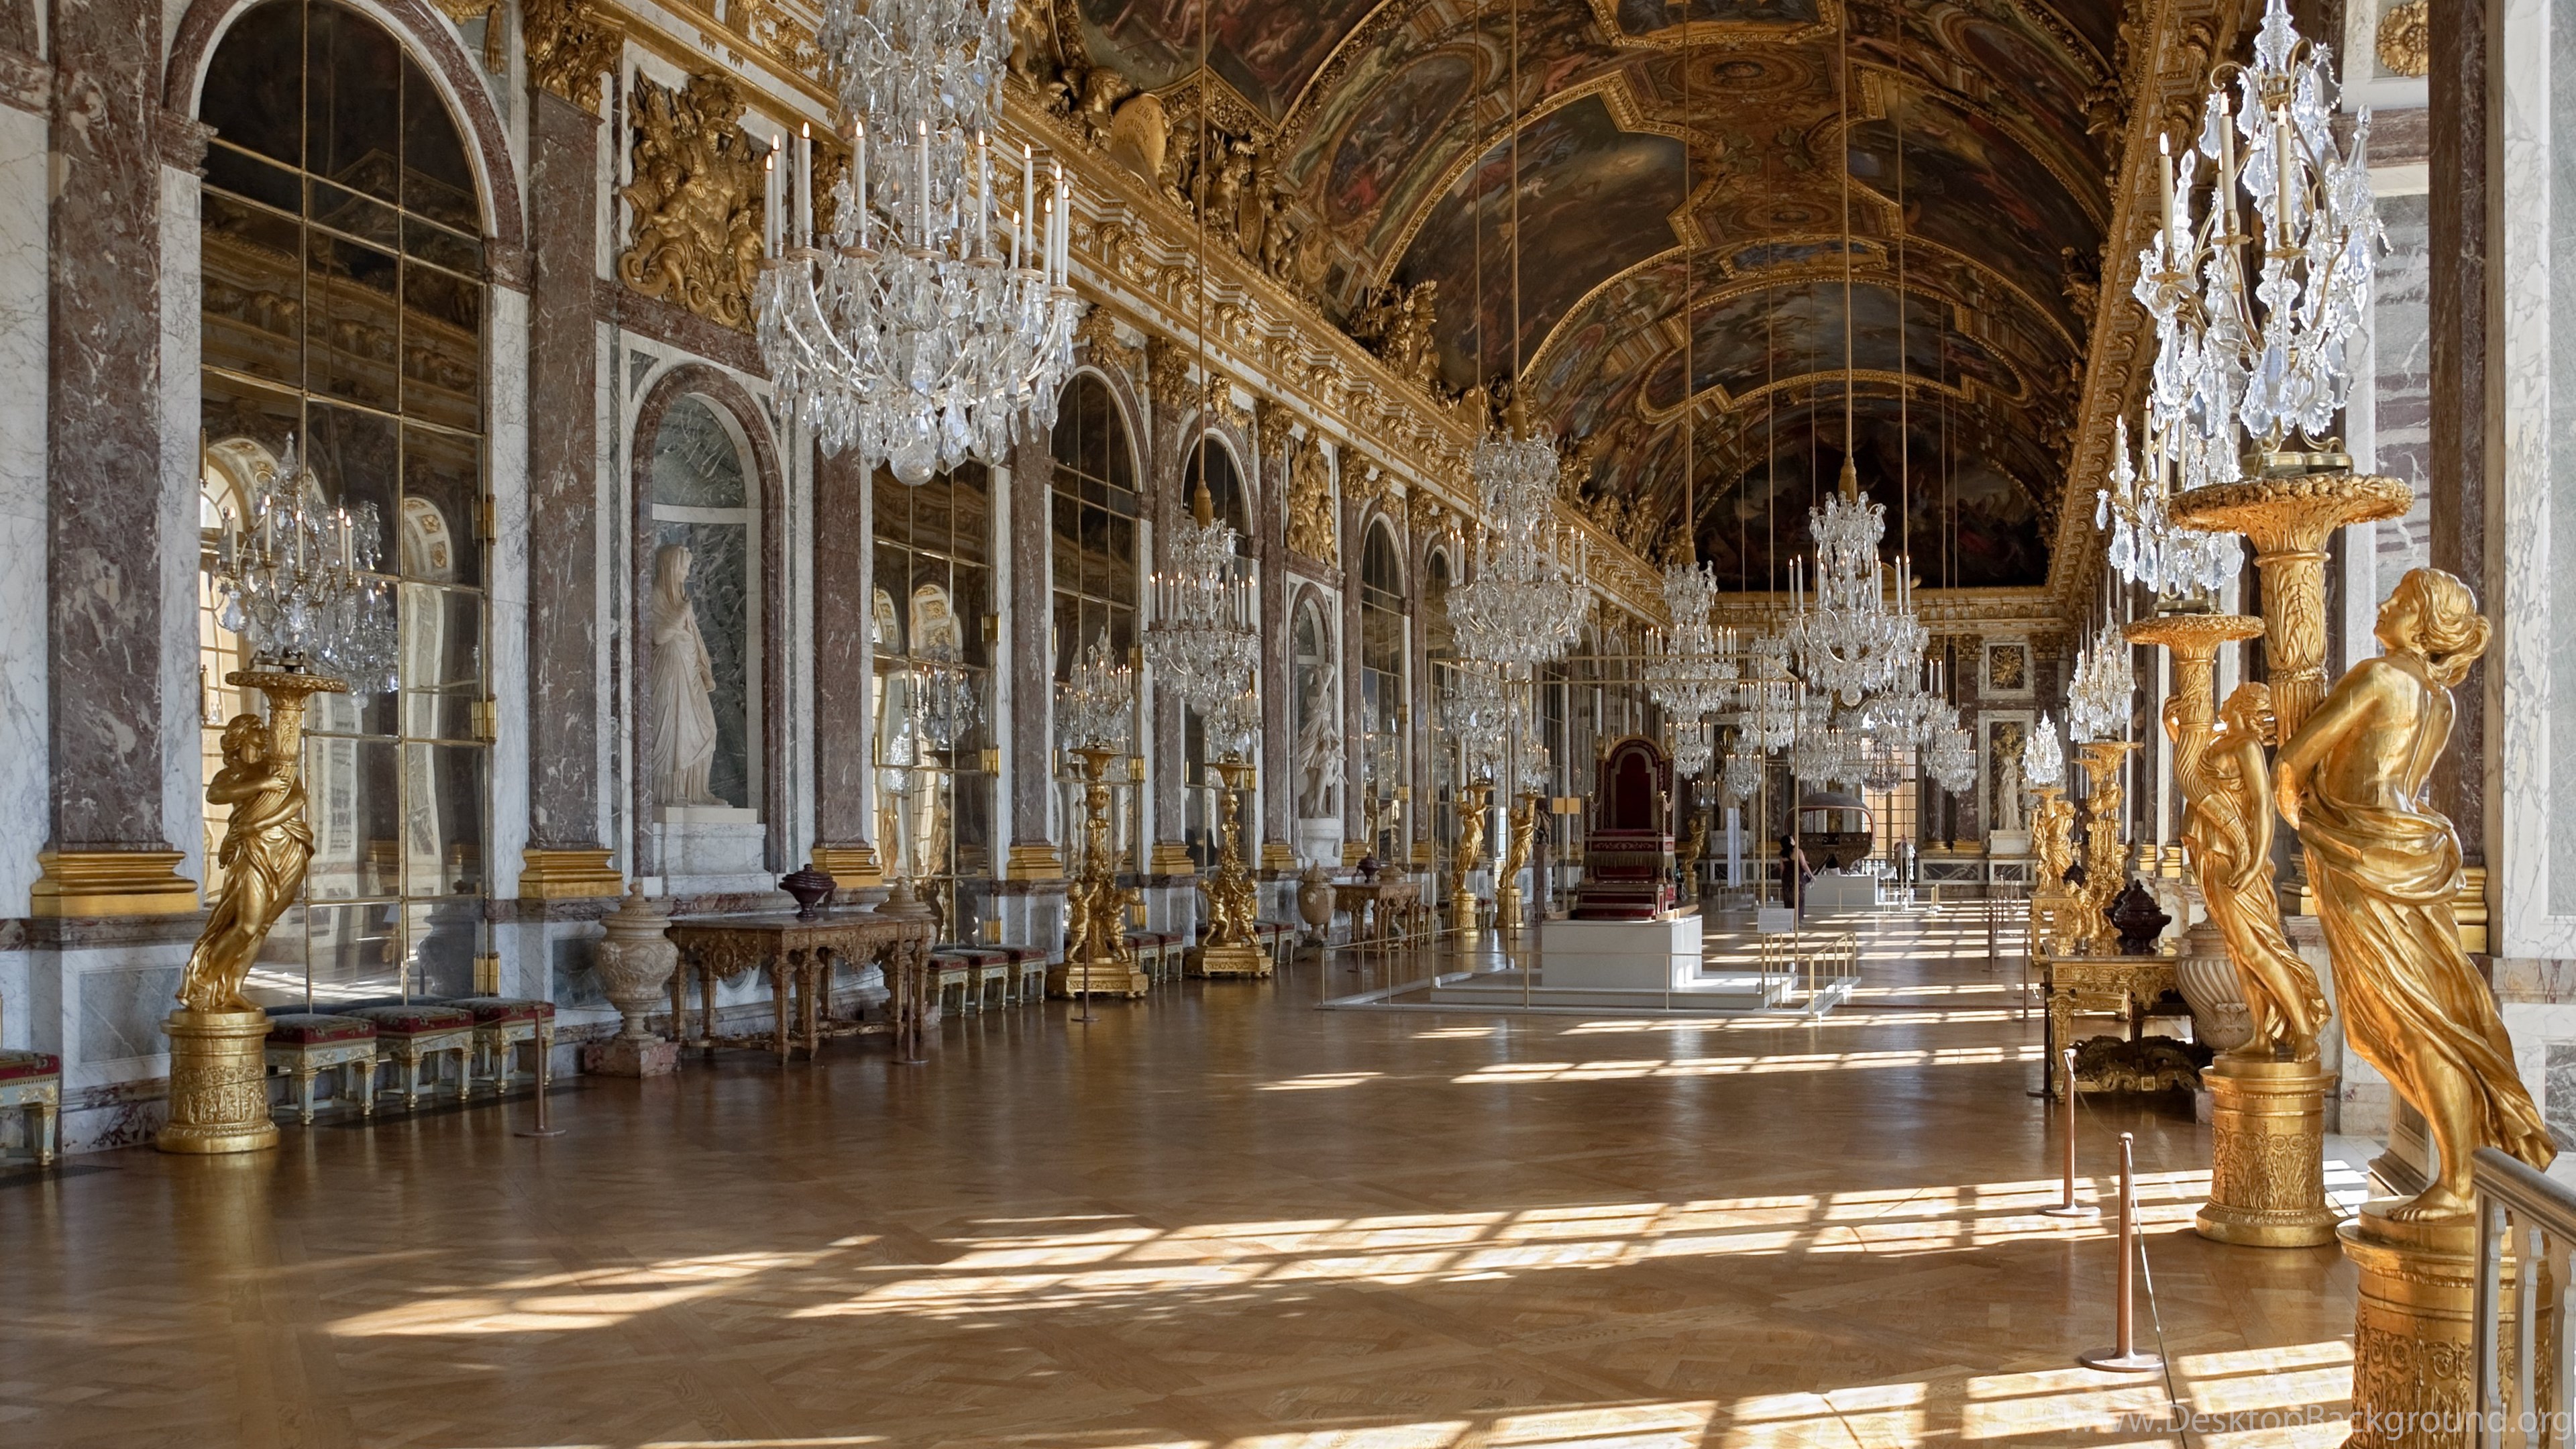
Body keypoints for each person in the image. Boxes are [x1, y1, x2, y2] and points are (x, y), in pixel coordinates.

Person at [2276, 567, 2553, 1219]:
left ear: (2424, 622)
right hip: (2414, 851)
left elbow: (2293, 762)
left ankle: (2457, 1183)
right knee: (2414, 1020)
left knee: (2408, 1021)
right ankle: (2458, 1174)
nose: (2383, 604)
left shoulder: (2378, 677)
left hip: (2362, 858)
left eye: (2399, 601)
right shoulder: (2440, 698)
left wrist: (2309, 825)